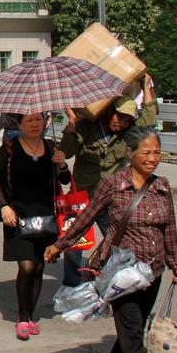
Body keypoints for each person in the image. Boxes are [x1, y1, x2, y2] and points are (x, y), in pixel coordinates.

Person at [45, 127, 177, 353]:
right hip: (122, 272)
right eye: (146, 153)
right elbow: (86, 218)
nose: (152, 159)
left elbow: (169, 229)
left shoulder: (162, 186)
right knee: (134, 332)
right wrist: (60, 244)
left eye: (156, 153)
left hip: (154, 270)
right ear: (130, 153)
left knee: (138, 327)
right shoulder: (113, 184)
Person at [59, 74, 157, 286]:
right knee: (74, 243)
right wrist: (71, 125)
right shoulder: (86, 127)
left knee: (118, 242)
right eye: (119, 117)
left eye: (126, 120)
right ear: (109, 112)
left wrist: (146, 86)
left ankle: (111, 282)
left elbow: (149, 119)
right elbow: (65, 153)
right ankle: (72, 284)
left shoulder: (127, 134)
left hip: (110, 198)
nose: (121, 123)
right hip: (82, 195)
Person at [0, 113, 72, 340]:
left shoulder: (51, 146)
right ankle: (22, 316)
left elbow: (64, 180)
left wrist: (62, 164)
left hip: (47, 217)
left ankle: (31, 315)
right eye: (29, 121)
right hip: (17, 216)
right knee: (26, 266)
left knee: (38, 268)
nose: (35, 125)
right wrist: (4, 206)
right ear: (19, 124)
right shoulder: (10, 147)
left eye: (39, 120)